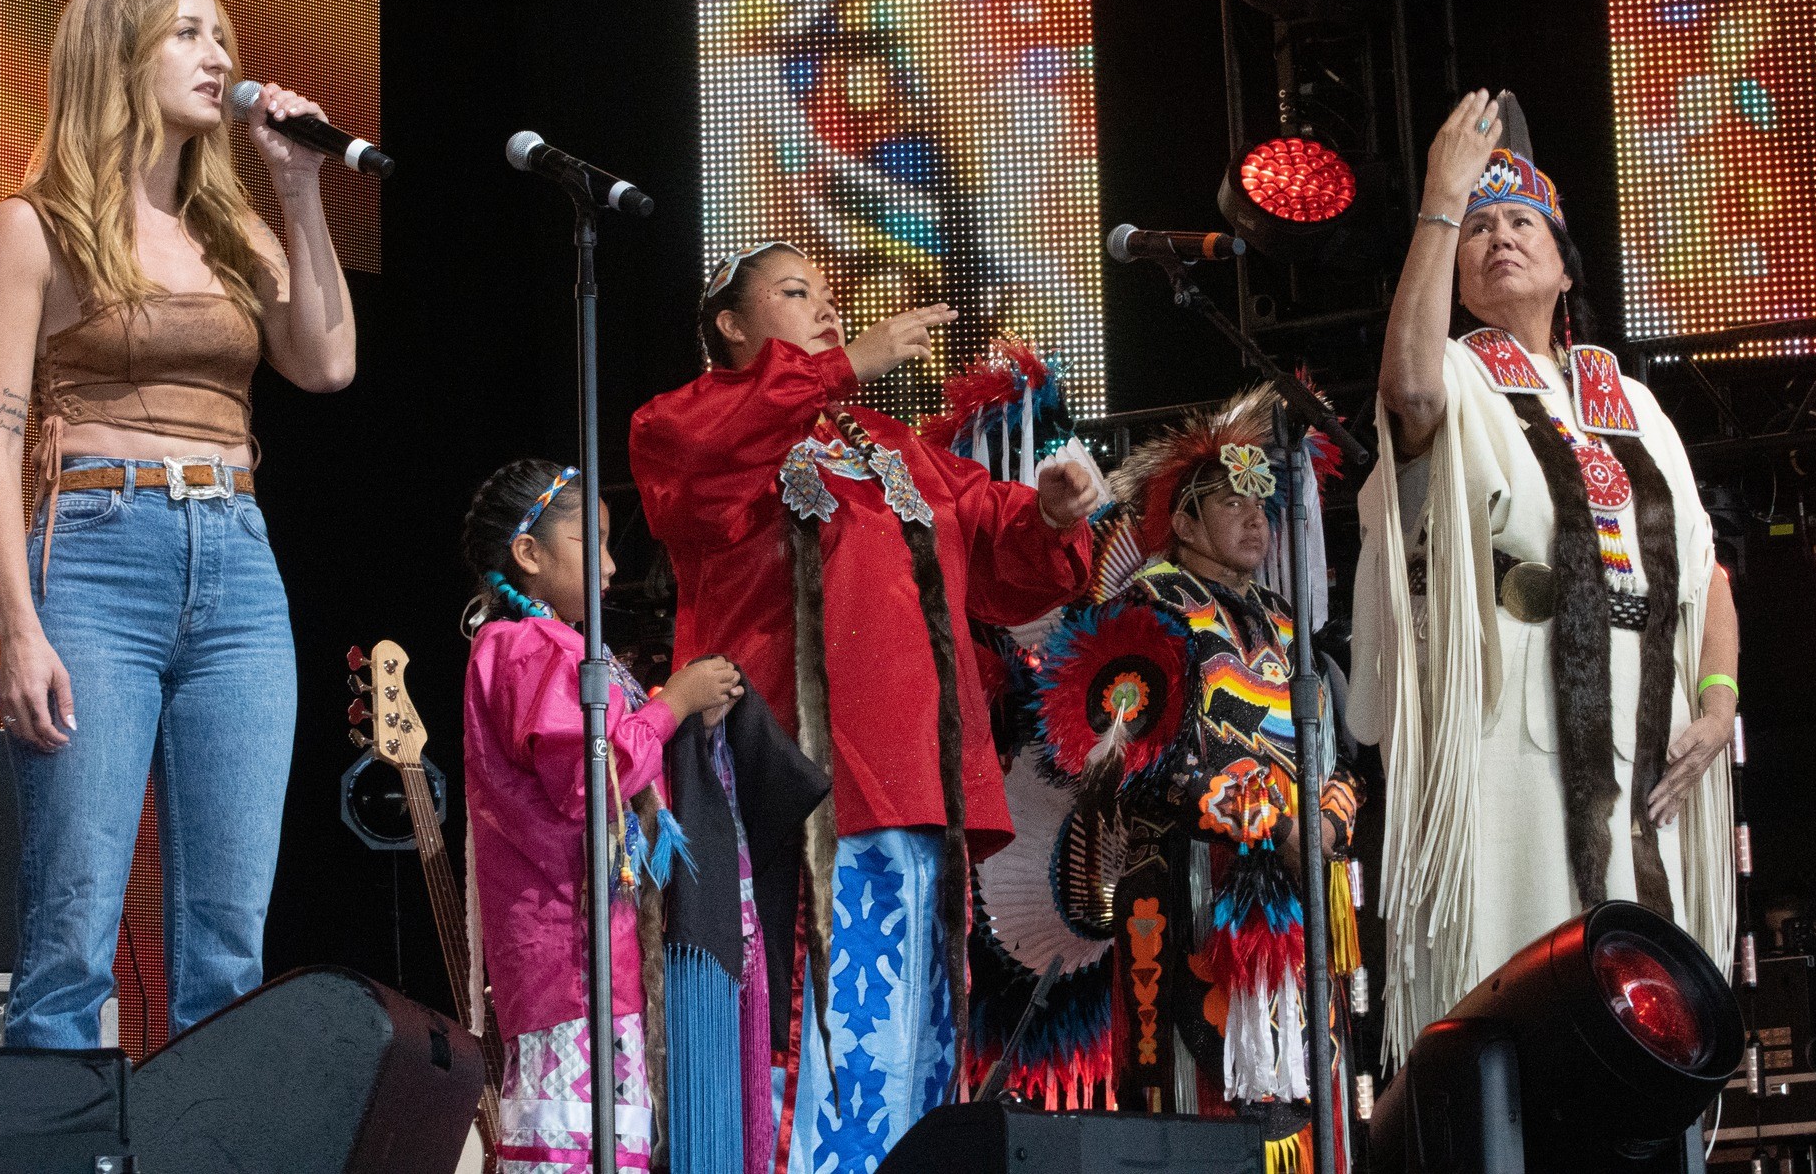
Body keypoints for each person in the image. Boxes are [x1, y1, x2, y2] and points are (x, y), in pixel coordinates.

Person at [629, 242, 1100, 1173]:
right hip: (800, 791)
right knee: (810, 1057)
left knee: (917, 1055)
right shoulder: (690, 425)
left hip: (921, 792)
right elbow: (698, 453)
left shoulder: (891, 448)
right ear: (730, 324)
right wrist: (846, 365)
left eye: (828, 299)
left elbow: (994, 544)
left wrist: (1048, 512)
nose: (826, 311)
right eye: (794, 293)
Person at [0, 0, 356, 1047]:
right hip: (95, 554)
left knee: (228, 938)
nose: (220, 58)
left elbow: (325, 364)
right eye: (188, 34)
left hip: (235, 562)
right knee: (72, 930)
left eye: (220, 35)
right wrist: (17, 627)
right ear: (117, 56)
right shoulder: (31, 227)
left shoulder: (232, 237)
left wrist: (302, 185)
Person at [1351, 91, 1739, 1061]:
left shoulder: (1634, 405)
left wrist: (1717, 701)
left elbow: (1704, 575)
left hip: (1645, 737)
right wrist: (1437, 202)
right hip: (1515, 722)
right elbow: (1404, 389)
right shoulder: (1462, 380)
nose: (1495, 238)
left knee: (1651, 1003)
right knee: (1526, 979)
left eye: (1518, 221)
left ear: (1563, 264)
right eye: (1476, 228)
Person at [971, 387, 1361, 1173]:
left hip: (1300, 894)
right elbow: (1135, 764)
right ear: (1182, 520)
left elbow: (1337, 754)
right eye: (1232, 502)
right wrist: (1271, 824)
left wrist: (1324, 823)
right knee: (1198, 1097)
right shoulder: (1148, 608)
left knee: (1304, 1094)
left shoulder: (1284, 623)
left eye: (1263, 503)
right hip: (1187, 895)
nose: (1257, 518)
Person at [459, 459, 744, 1173]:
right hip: (570, 952)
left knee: (597, 1141)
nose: (614, 566)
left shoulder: (532, 647)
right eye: (595, 543)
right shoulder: (533, 648)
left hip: (577, 948)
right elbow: (597, 779)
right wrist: (675, 700)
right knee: (578, 1145)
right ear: (529, 552)